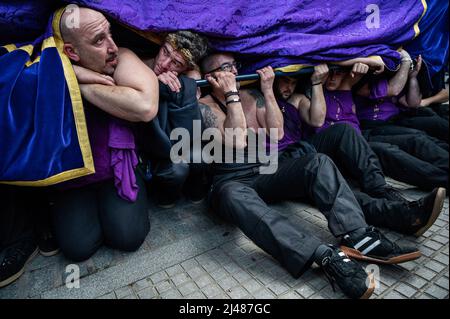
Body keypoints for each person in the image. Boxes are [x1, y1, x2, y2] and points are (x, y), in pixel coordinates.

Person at [198, 52, 421, 299]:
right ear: (212, 77)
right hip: (231, 179)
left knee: (317, 161)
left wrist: (268, 91)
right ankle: (322, 254)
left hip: (266, 168)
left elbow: (278, 132)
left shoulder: (253, 96)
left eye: (235, 66)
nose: (235, 72)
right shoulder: (203, 106)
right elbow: (237, 141)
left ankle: (358, 235)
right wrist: (230, 95)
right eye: (227, 68)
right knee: (230, 195)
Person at [273, 65, 446, 237]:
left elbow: (316, 120)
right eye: (285, 81)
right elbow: (262, 148)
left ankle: (382, 190)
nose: (289, 87)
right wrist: (267, 92)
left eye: (293, 82)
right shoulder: (255, 99)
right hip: (280, 166)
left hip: (307, 152)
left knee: (352, 137)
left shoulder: (297, 98)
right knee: (338, 187)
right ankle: (405, 217)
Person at [51, 7, 159, 262]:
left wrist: (79, 84)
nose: (112, 46)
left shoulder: (120, 56)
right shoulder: (45, 66)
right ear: (72, 52)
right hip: (72, 175)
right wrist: (72, 74)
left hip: (116, 168)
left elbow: (144, 107)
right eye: (99, 40)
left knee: (127, 237)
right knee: (78, 248)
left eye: (110, 34)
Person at [353, 50, 449, 190]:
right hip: (371, 127)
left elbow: (413, 103)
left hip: (395, 119)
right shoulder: (361, 78)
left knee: (430, 131)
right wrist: (405, 62)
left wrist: (413, 77)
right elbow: (394, 89)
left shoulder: (393, 73)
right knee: (416, 140)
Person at [139, 31, 209, 207]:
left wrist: (184, 89)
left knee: (199, 157)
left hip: (172, 140)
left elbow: (189, 136)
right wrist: (153, 83)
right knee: (177, 169)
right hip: (143, 149)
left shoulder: (182, 81)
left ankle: (193, 195)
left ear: (186, 69)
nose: (164, 64)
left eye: (176, 63)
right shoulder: (137, 66)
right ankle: (164, 198)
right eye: (165, 52)